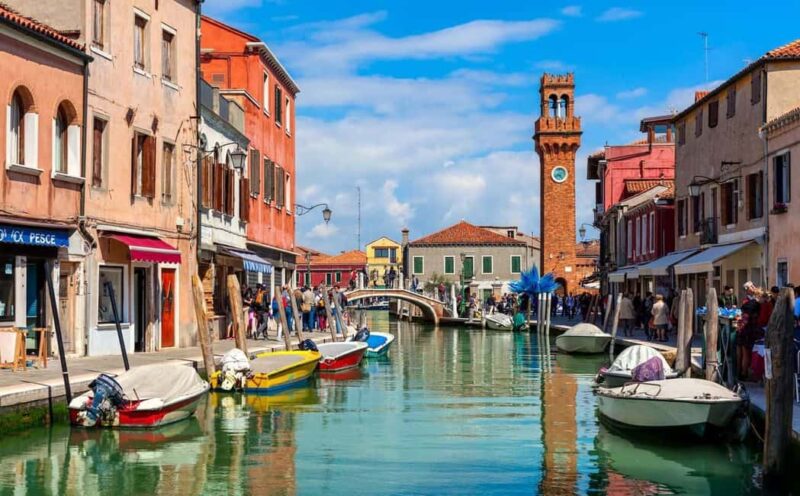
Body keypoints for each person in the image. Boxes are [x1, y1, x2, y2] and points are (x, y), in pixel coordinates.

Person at [737, 282, 762, 380]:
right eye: (752, 286)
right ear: (747, 289)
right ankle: (743, 373)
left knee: (744, 352)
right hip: (748, 329)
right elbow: (746, 318)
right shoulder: (748, 301)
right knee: (745, 352)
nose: (754, 287)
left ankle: (742, 373)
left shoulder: (753, 300)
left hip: (746, 328)